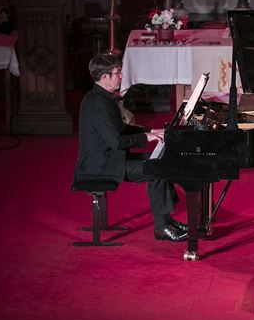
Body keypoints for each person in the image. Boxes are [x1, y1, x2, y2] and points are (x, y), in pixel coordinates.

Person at [74, 53, 187, 242]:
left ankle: (167, 220)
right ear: (104, 77)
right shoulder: (98, 103)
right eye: (117, 73)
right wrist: (145, 137)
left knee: (161, 161)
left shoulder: (100, 97)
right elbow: (116, 141)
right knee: (156, 170)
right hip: (101, 165)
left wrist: (151, 130)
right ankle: (162, 228)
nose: (121, 76)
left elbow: (122, 128)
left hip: (110, 158)